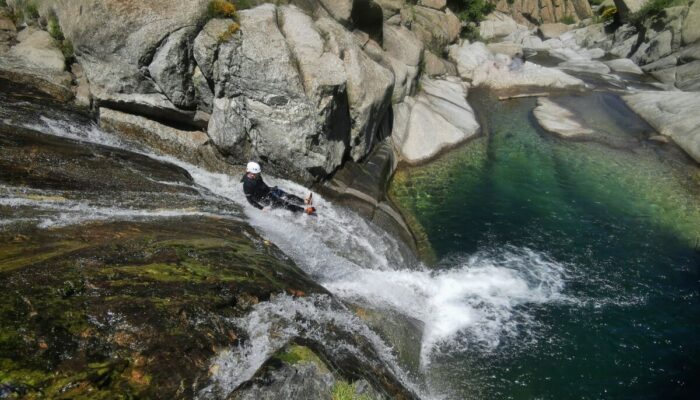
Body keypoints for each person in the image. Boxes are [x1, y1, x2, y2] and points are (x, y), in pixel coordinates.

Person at [241, 161, 316, 214]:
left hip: (268, 191)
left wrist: (270, 188)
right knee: (284, 203)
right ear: (248, 171)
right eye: (254, 174)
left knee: (286, 195)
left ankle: (305, 201)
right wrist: (262, 208)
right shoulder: (247, 184)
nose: (256, 175)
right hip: (264, 199)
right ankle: (305, 210)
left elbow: (262, 184)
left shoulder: (257, 176)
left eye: (257, 174)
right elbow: (250, 200)